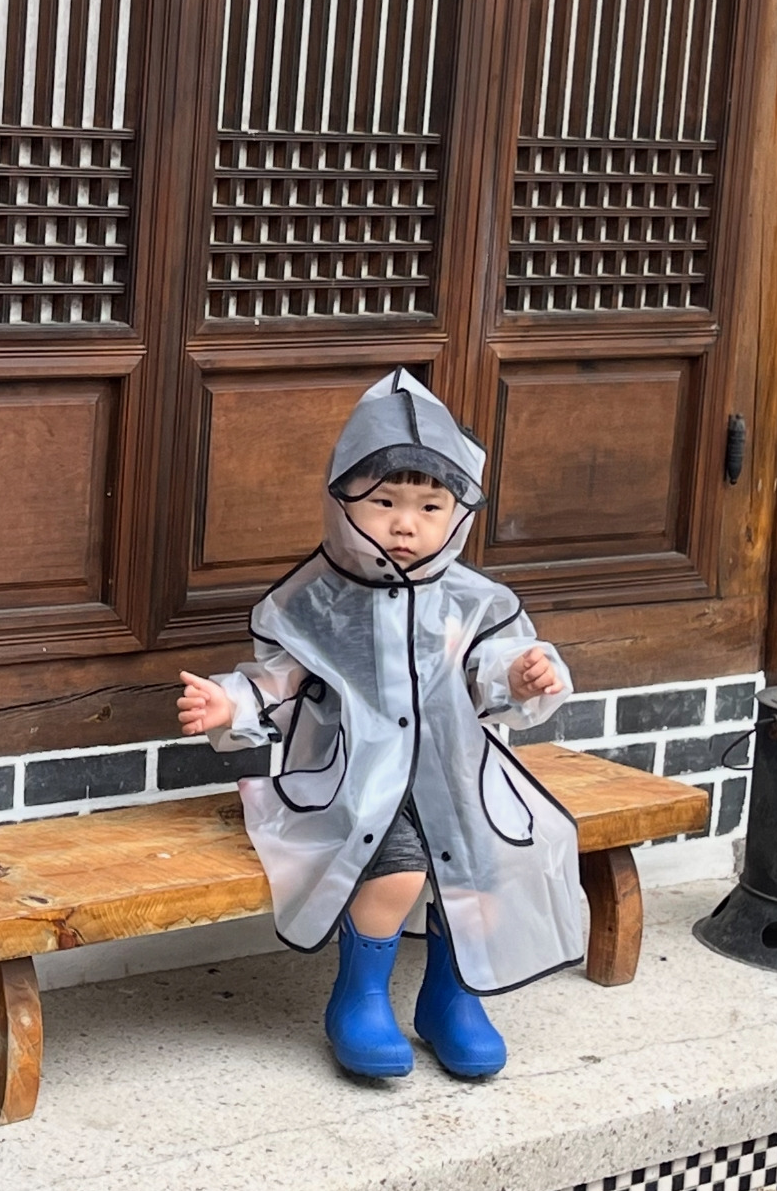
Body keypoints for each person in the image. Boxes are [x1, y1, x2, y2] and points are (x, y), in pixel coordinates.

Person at [177, 369, 586, 1080]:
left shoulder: (472, 599)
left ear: (458, 513)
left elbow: (491, 663)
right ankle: (360, 995)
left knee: (489, 870)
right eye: (384, 502)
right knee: (397, 872)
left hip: (457, 773)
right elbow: (283, 682)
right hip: (359, 778)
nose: (406, 523)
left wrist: (524, 675)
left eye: (430, 506)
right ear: (344, 502)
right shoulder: (316, 600)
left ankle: (454, 996)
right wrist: (231, 704)